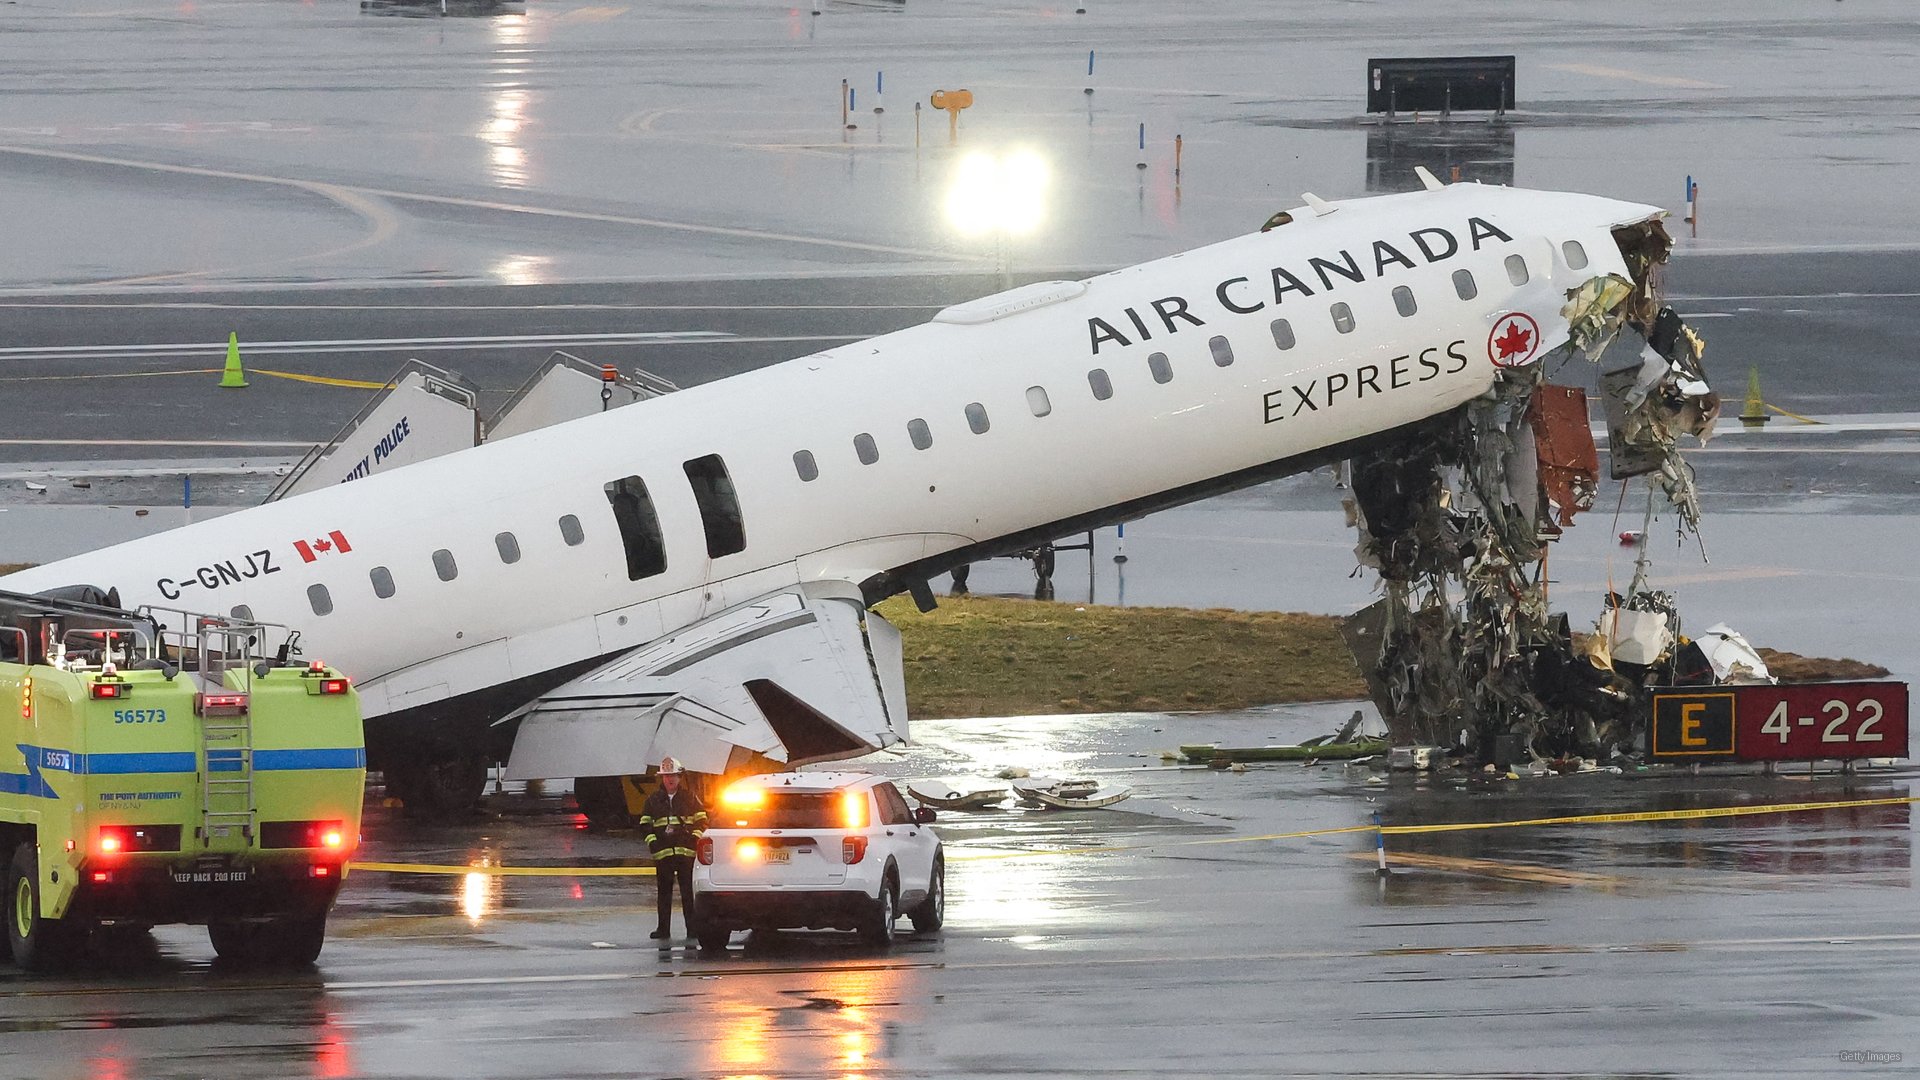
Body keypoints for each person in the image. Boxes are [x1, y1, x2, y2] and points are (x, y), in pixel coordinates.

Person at [640, 757, 706, 941]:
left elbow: (702, 820)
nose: (670, 780)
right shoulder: (653, 800)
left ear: (679, 777)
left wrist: (694, 839)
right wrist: (653, 842)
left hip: (686, 854)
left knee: (688, 894)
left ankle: (692, 930)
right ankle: (663, 929)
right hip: (663, 854)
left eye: (673, 776)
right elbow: (644, 824)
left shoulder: (690, 798)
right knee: (664, 895)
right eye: (666, 776)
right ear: (662, 778)